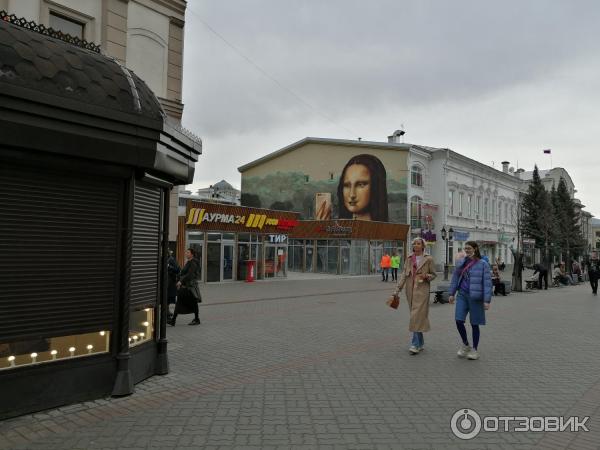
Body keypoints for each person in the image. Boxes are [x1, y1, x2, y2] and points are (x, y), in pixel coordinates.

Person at [448, 241, 492, 361]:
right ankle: (466, 344)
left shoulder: (483, 264)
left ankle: (475, 349)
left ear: (475, 248)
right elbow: (455, 278)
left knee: (474, 323)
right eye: (465, 248)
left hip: (476, 297)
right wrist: (451, 293)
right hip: (462, 295)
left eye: (469, 248)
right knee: (458, 320)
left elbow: (487, 283)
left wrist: (487, 300)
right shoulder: (461, 262)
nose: (467, 250)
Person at [393, 237, 437, 355]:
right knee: (416, 317)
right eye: (415, 244)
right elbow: (403, 275)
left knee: (415, 316)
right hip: (410, 291)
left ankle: (415, 344)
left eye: (419, 244)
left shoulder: (428, 259)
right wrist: (397, 290)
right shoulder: (409, 259)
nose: (416, 246)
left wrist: (427, 276)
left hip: (422, 292)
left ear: (423, 246)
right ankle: (421, 343)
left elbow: (434, 274)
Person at [337, 154, 389, 221]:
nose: (352, 195)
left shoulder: (390, 230)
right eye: (347, 185)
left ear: (375, 187)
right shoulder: (336, 229)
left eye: (360, 185)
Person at [168, 248, 201, 326]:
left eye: (188, 252)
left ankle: (174, 321)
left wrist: (180, 281)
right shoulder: (189, 262)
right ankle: (196, 319)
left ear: (192, 254)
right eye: (186, 252)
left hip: (189, 287)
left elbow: (190, 274)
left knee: (187, 302)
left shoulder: (193, 263)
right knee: (188, 302)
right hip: (186, 286)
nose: (186, 253)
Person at [167, 250, 180, 320]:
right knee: (167, 298)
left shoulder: (171, 260)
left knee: (167, 298)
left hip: (170, 282)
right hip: (168, 283)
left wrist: (169, 267)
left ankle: (166, 313)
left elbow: (177, 269)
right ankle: (167, 312)